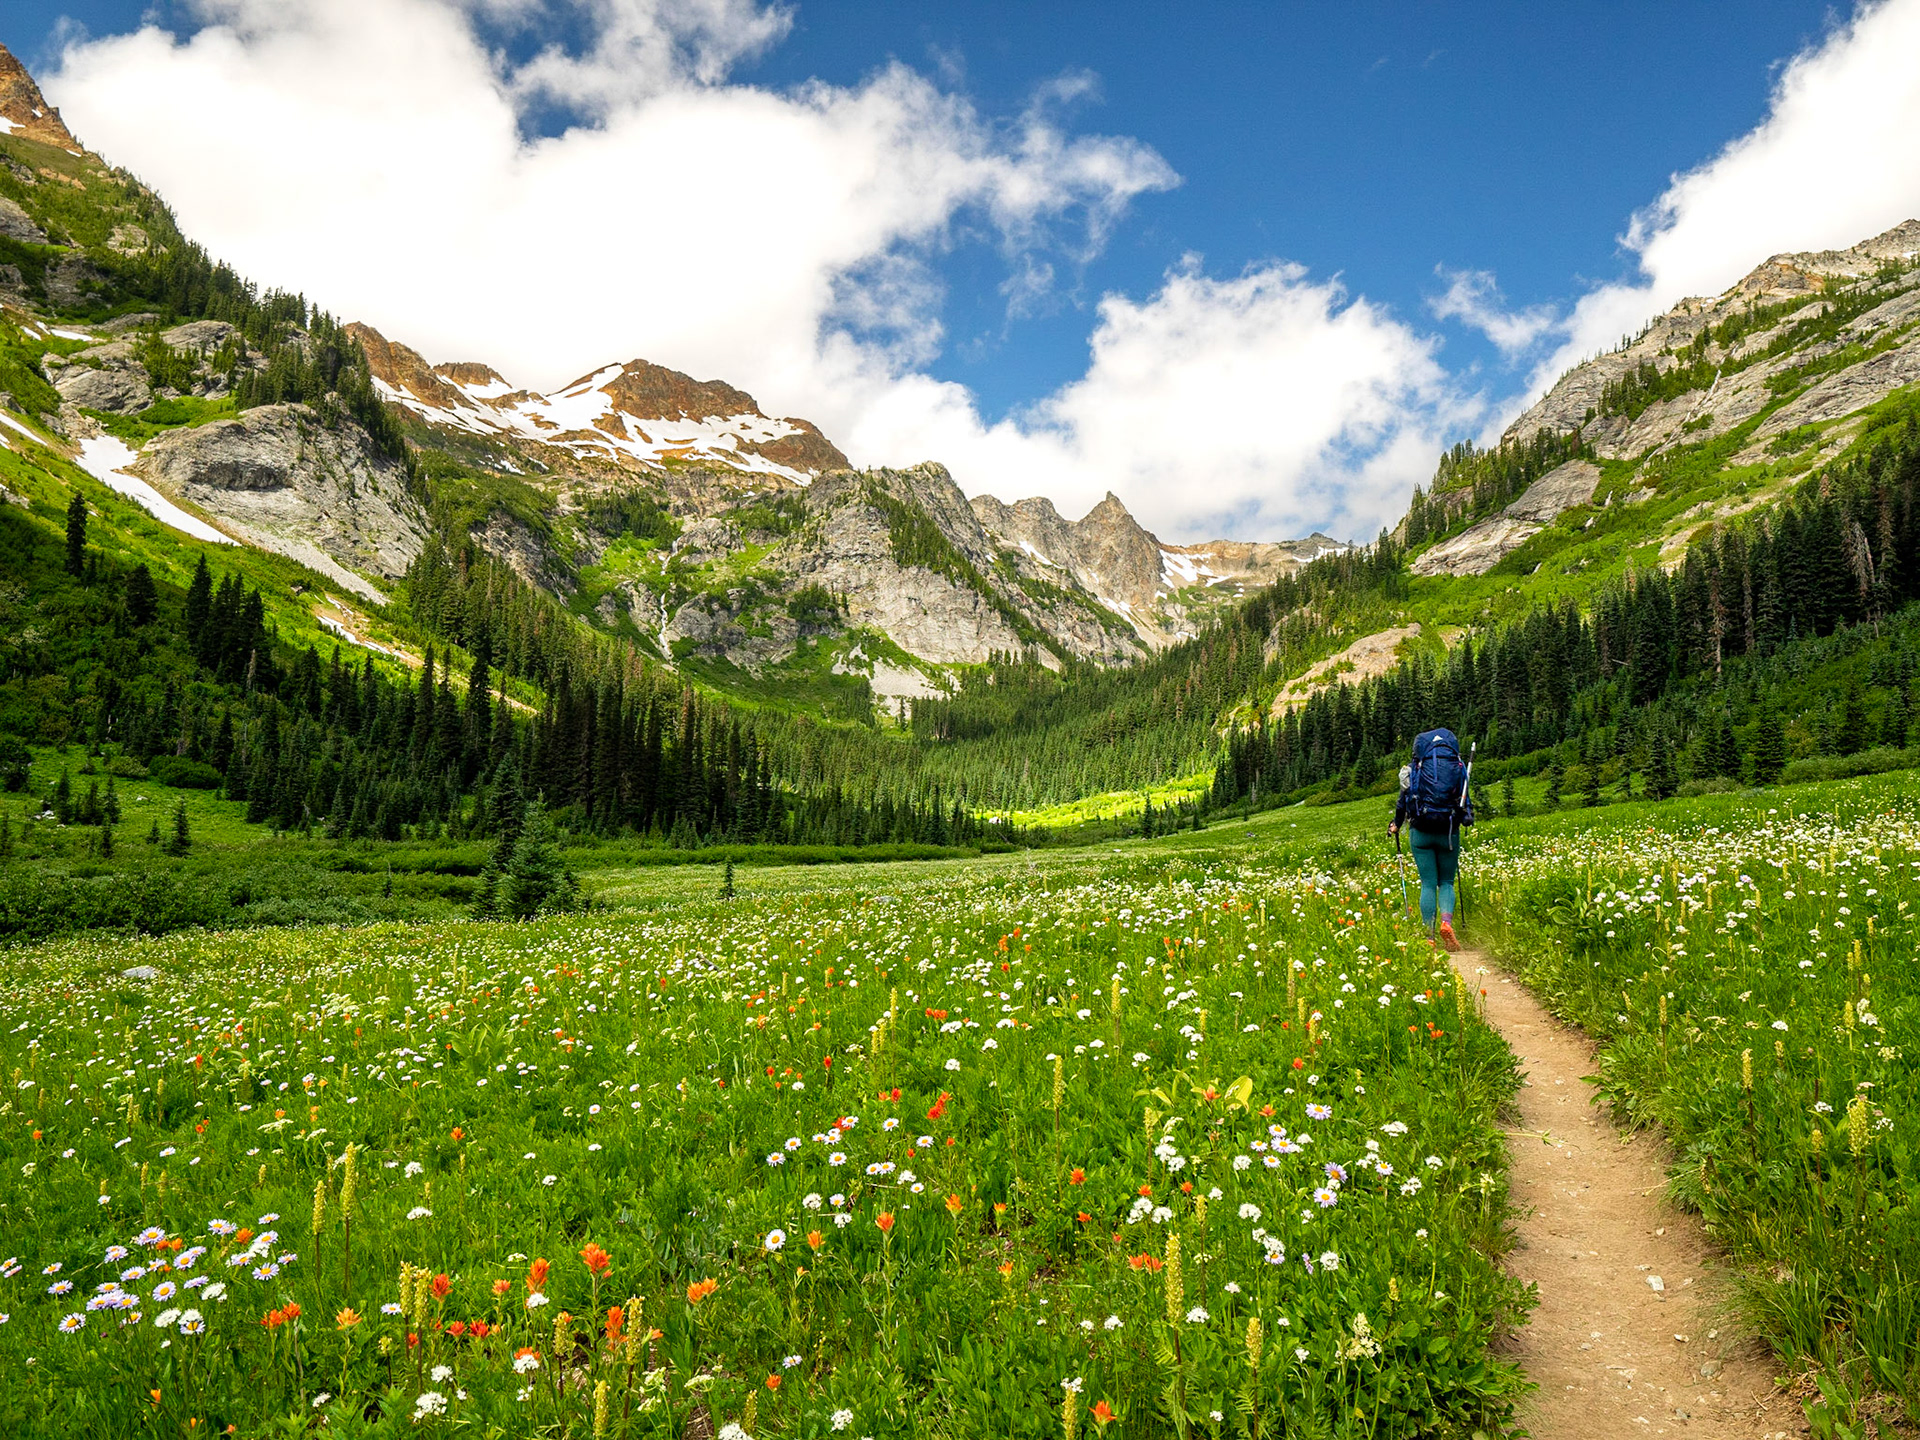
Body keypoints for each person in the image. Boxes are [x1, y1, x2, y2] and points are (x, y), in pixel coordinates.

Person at [1389, 727, 1474, 950]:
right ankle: (1446, 923)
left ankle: (1429, 936)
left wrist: (1396, 825)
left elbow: (1402, 802)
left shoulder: (1411, 769)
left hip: (1421, 831)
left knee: (1428, 883)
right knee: (1446, 881)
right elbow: (1465, 798)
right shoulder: (1458, 766)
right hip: (1448, 830)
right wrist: (1466, 817)